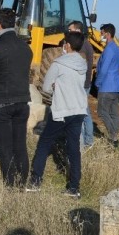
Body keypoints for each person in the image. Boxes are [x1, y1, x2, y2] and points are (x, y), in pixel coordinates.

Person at [26, 32, 87, 198]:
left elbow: (45, 88)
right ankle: (74, 188)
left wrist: (55, 86)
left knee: (45, 143)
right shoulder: (83, 64)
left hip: (62, 111)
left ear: (67, 45)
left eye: (65, 43)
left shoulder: (58, 63)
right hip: (79, 110)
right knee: (73, 149)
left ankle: (35, 181)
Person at [0, 8, 33, 187]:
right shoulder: (26, 48)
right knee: (20, 145)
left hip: (1, 103)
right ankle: (22, 183)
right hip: (23, 102)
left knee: (4, 148)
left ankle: (10, 186)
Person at [67, 21, 94, 151]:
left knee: (80, 113)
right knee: (85, 111)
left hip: (81, 84)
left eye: (70, 29)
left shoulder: (82, 45)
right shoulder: (86, 44)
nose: (68, 32)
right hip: (85, 83)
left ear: (77, 31)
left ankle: (83, 143)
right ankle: (89, 140)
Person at [95, 23, 119, 147]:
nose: (101, 35)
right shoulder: (116, 48)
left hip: (107, 86)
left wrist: (98, 82)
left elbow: (104, 69)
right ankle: (115, 135)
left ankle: (113, 135)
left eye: (102, 33)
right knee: (113, 112)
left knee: (101, 111)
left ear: (108, 34)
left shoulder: (109, 49)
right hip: (116, 86)